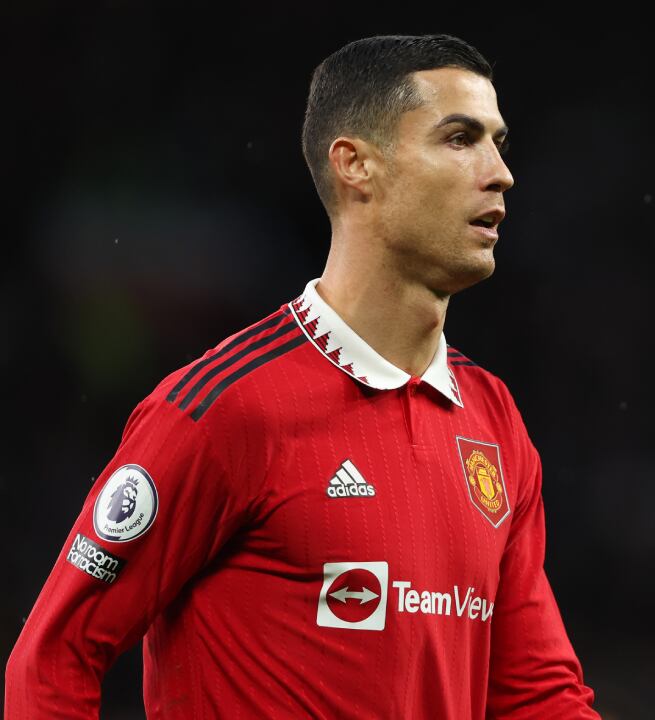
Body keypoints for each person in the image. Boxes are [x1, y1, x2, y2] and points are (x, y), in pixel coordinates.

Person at [6, 34, 599, 719]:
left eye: (499, 143)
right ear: (356, 166)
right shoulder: (227, 408)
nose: (501, 173)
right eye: (461, 139)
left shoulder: (493, 420)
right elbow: (53, 660)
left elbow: (537, 696)